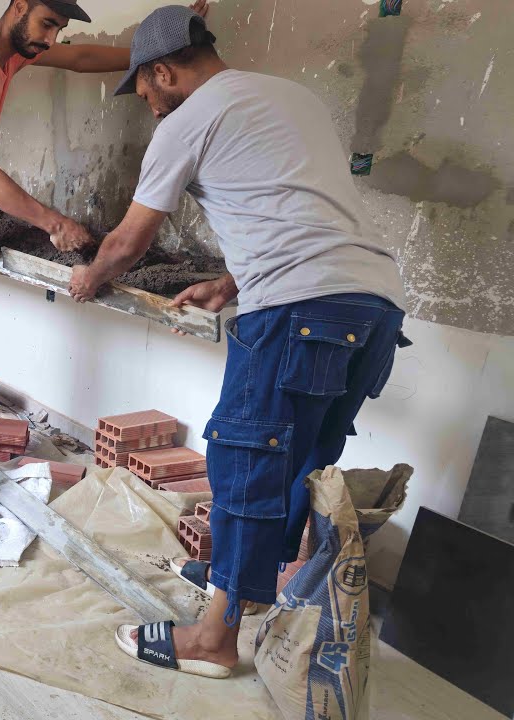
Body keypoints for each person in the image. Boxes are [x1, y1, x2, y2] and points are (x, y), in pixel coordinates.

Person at [67, 6, 409, 678]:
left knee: (245, 463)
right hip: (372, 304)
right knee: (301, 460)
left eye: (142, 83)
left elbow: (127, 242)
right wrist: (232, 281)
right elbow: (299, 208)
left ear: (165, 70)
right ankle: (250, 591)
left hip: (300, 308)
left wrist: (88, 278)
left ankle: (212, 643)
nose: (142, 97)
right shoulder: (290, 96)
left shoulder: (184, 123)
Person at [0, 0, 209, 522]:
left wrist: (151, 51)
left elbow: (80, 59)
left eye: (60, 28)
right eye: (48, 23)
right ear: (19, 7)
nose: (52, 38)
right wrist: (52, 221)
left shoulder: (3, 48)